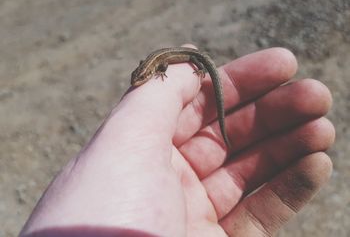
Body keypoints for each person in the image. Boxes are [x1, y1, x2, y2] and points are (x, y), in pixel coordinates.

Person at [20, 46, 335, 237]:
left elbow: (162, 63)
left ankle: (214, 101)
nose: (141, 79)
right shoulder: (148, 68)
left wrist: (183, 68)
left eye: (142, 76)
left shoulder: (158, 65)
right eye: (142, 76)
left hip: (194, 57)